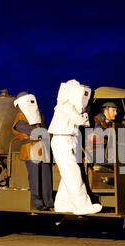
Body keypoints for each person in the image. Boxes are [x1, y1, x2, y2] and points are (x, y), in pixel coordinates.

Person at [48, 79, 102, 215]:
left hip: (68, 141)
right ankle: (83, 206)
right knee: (74, 174)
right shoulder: (65, 106)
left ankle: (62, 205)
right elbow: (81, 120)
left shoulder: (70, 106)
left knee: (68, 175)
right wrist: (85, 113)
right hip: (62, 141)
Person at [12, 91, 54, 211]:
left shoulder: (39, 112)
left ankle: (48, 201)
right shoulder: (21, 115)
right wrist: (43, 134)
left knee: (46, 176)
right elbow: (22, 128)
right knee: (35, 177)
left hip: (42, 148)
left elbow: (44, 129)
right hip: (30, 148)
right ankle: (38, 202)